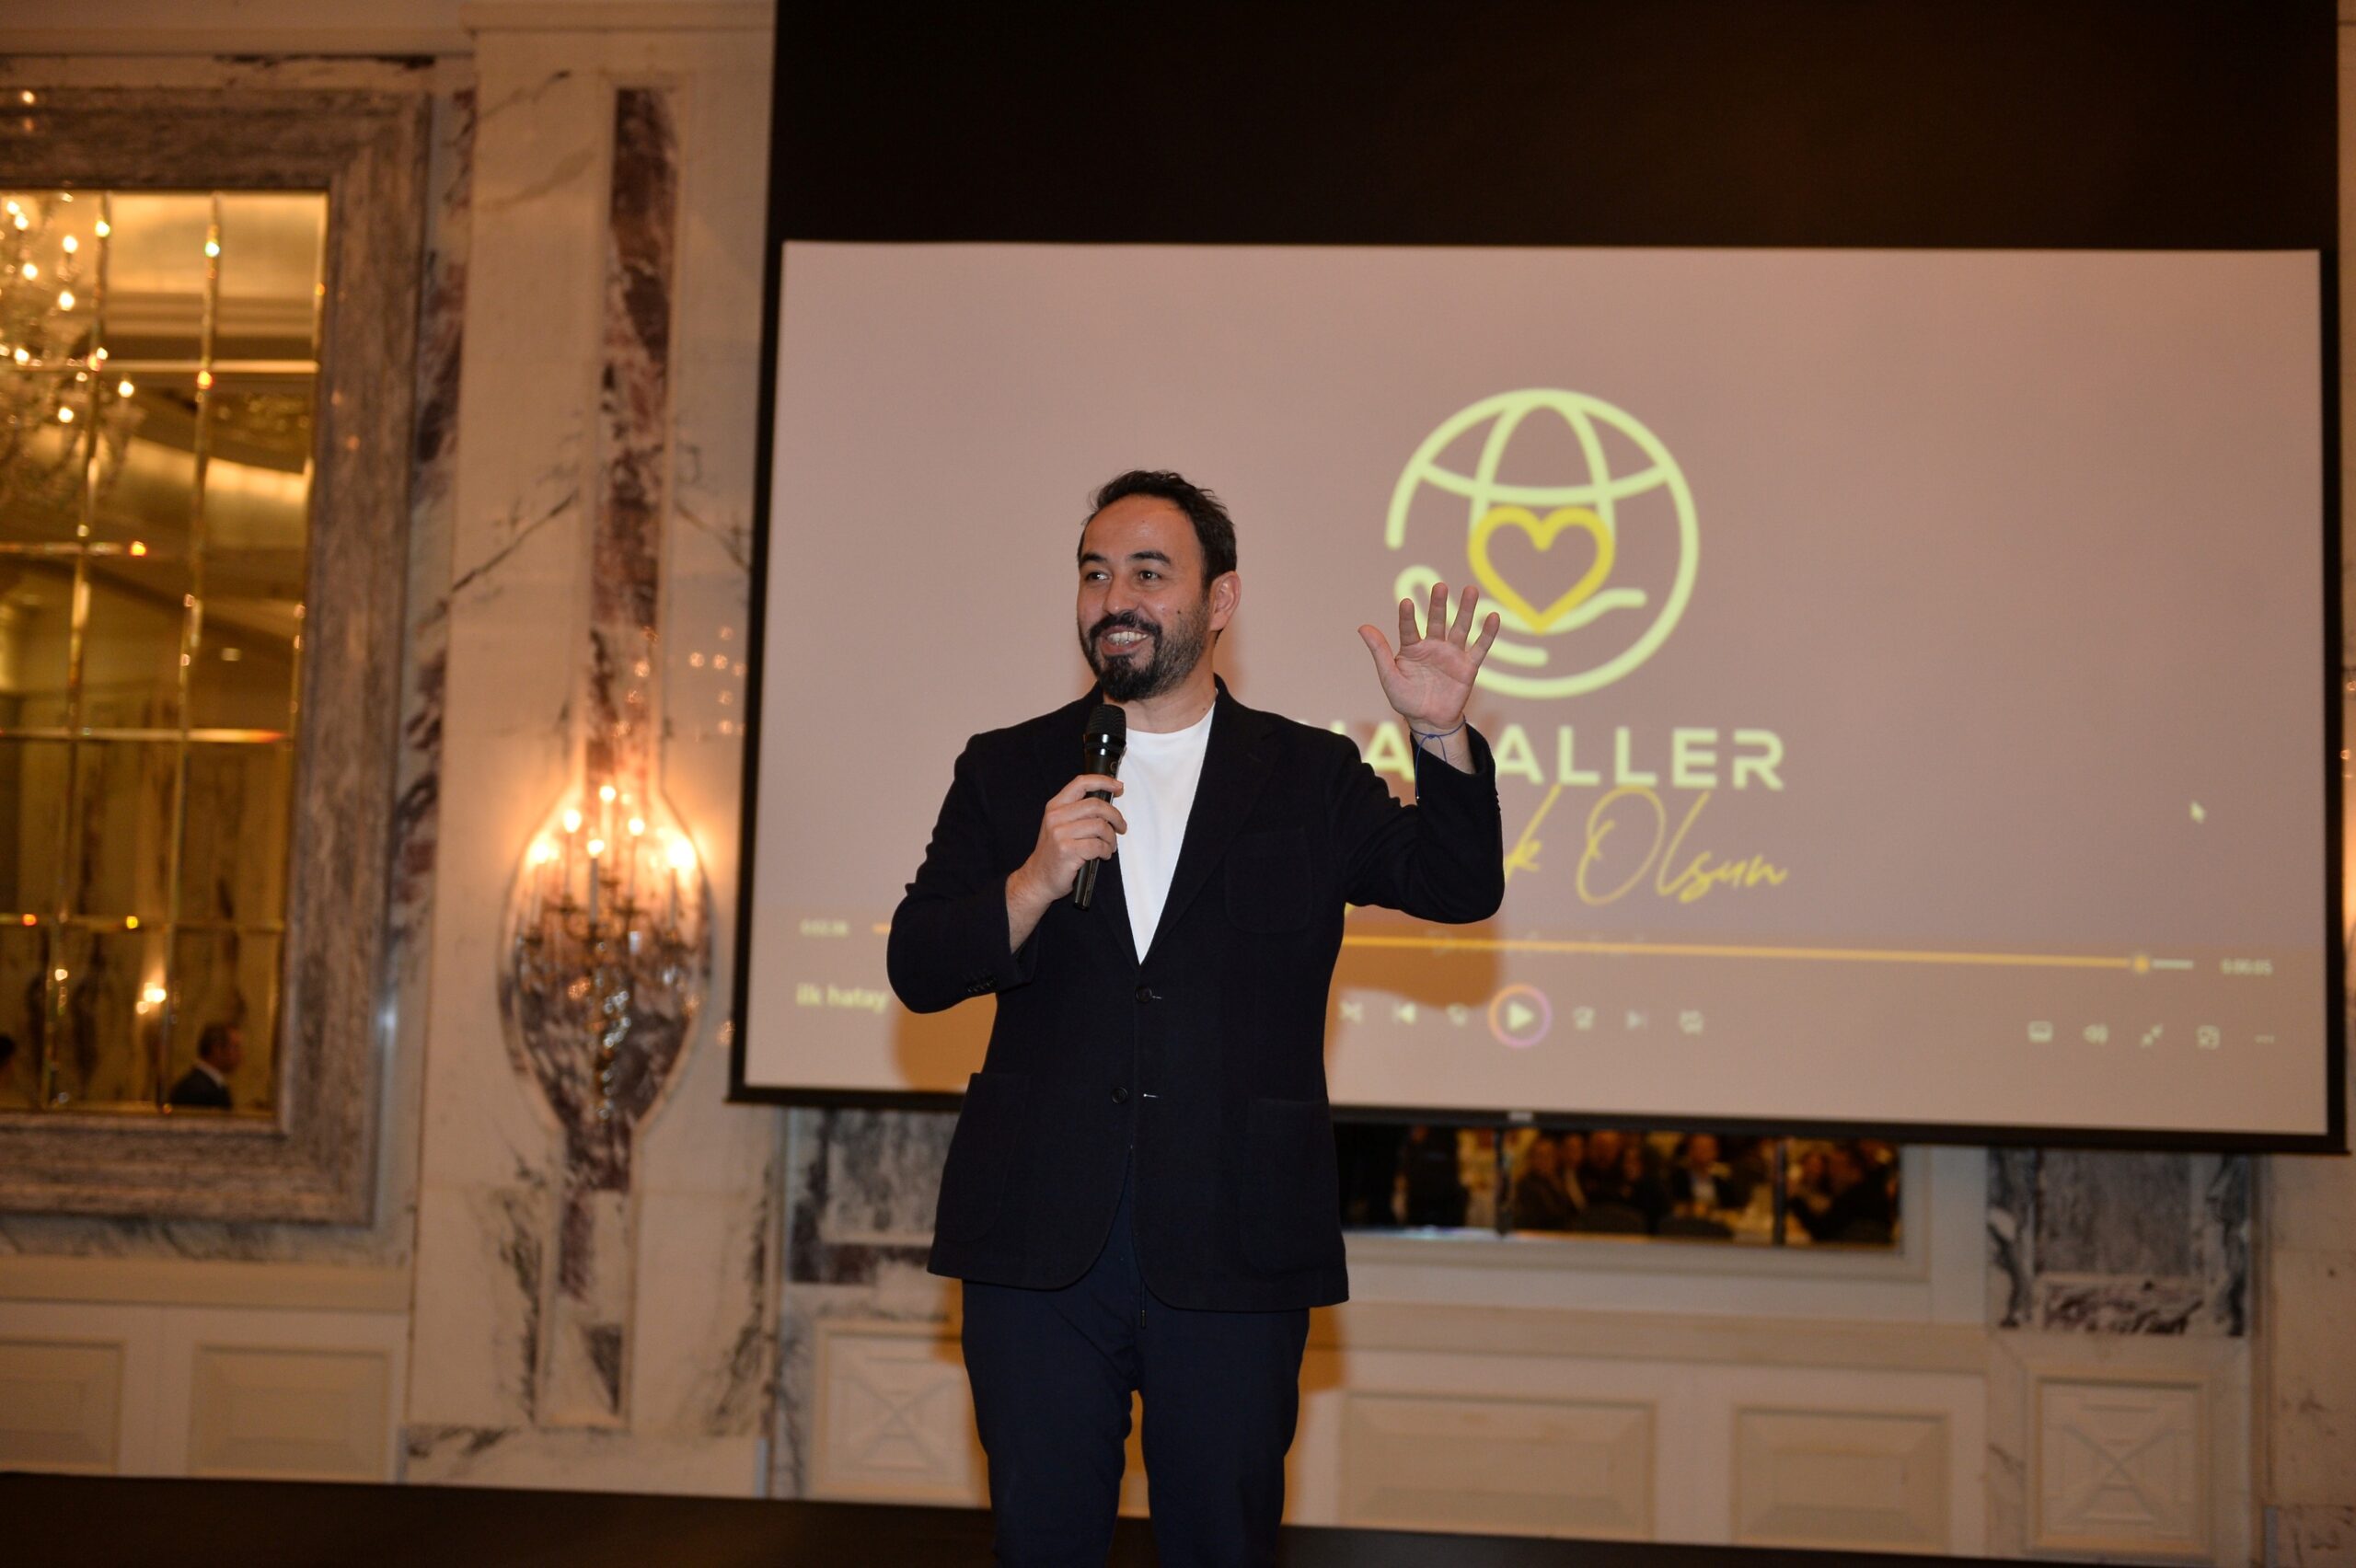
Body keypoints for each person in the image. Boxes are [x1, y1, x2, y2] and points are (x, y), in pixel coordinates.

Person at [887, 469, 1505, 1565]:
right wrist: (1030, 882)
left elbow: (1458, 885)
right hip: (1035, 1244)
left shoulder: (1308, 773)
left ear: (1220, 600)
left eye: (1148, 573)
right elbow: (919, 966)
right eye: (1094, 574)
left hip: (1237, 1243)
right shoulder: (1008, 768)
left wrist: (1442, 736)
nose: (1114, 599)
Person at [1509, 1133, 1578, 1231]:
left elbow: (1573, 1209)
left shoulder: (1558, 1179)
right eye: (1540, 1156)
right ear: (1531, 1159)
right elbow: (1550, 1217)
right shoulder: (1526, 1185)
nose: (1545, 1161)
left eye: (1549, 1155)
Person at [166, 1022, 240, 1111]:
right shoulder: (198, 1090)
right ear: (217, 1049)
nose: (240, 1054)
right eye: (236, 1047)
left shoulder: (209, 1084)